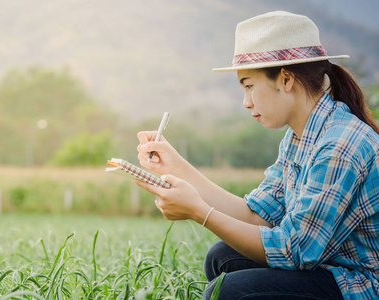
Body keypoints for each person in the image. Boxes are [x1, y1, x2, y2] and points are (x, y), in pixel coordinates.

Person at [135, 11, 379, 300]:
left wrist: (200, 212)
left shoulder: (340, 145)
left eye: (249, 86)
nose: (246, 102)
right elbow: (258, 215)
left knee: (228, 291)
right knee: (222, 258)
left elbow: (294, 250)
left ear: (286, 79)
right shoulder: (299, 136)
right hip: (328, 267)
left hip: (360, 283)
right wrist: (177, 166)